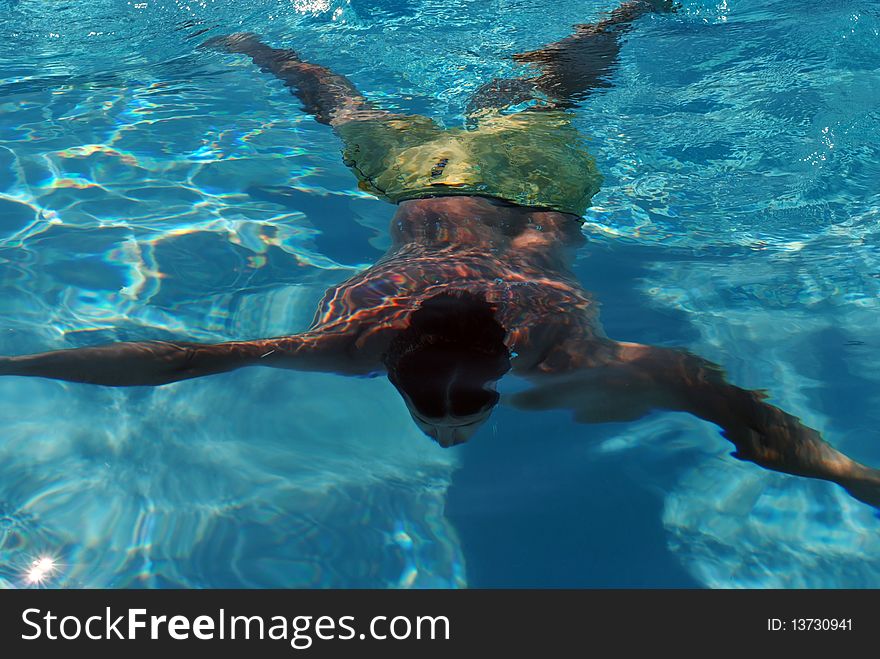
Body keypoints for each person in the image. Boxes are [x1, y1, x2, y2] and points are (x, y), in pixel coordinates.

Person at [2, 1, 879, 507]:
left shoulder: (551, 348)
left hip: (534, 192)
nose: (455, 428)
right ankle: (252, 42)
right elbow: (176, 360)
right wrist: (15, 362)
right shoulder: (357, 348)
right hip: (417, 181)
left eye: (443, 416)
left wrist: (846, 471)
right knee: (341, 102)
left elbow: (708, 392)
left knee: (546, 94)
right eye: (472, 412)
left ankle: (620, 15)